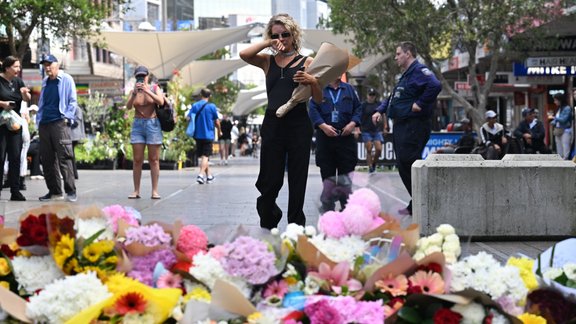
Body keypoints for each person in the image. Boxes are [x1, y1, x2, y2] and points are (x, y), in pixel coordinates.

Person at [240, 13, 319, 229]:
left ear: (294, 35)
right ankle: (269, 216)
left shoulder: (307, 61)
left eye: (285, 34)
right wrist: (267, 42)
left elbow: (319, 98)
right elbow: (243, 54)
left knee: (297, 177)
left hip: (298, 122)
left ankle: (296, 224)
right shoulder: (267, 61)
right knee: (269, 179)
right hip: (273, 123)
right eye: (277, 35)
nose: (282, 39)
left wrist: (313, 81)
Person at [372, 41, 442, 216]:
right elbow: (393, 97)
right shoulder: (404, 75)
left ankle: (425, 201)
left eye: (398, 54)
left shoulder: (419, 71)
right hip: (402, 125)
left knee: (409, 161)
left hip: (414, 125)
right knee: (402, 164)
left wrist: (420, 104)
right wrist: (380, 110)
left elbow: (435, 85)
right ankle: (417, 201)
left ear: (408, 53)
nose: (395, 57)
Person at [309, 78, 362, 212]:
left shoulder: (349, 89)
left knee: (346, 174)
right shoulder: (319, 88)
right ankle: (328, 208)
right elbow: (313, 108)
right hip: (325, 138)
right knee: (327, 174)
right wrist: (323, 126)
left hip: (346, 138)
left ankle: (346, 207)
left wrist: (352, 124)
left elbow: (358, 108)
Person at [36, 54, 78, 202]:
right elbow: (42, 102)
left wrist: (67, 117)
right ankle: (54, 191)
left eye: (49, 64)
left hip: (60, 123)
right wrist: (38, 121)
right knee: (47, 160)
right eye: (45, 65)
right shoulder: (45, 81)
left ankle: (71, 191)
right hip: (44, 124)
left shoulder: (66, 79)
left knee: (64, 158)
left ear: (57, 64)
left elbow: (73, 101)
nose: (47, 67)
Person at [126, 65, 165, 199]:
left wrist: (147, 91)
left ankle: (155, 191)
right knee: (137, 160)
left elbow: (160, 101)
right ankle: (136, 190)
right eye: (138, 76)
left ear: (147, 76)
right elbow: (128, 106)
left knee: (154, 159)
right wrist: (135, 94)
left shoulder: (154, 88)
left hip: (152, 124)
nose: (141, 79)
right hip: (138, 125)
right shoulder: (134, 91)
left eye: (143, 76)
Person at [0, 56, 30, 201]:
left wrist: (25, 94)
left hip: (15, 125)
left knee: (15, 157)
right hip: (1, 125)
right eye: (16, 66)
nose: (19, 69)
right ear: (7, 68)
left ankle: (15, 190)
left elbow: (27, 98)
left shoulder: (18, 81)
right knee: (0, 157)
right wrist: (2, 104)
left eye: (19, 66)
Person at [187, 88, 220, 185]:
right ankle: (201, 175)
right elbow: (217, 121)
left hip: (197, 134)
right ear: (209, 96)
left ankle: (209, 176)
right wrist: (220, 130)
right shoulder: (212, 107)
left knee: (203, 156)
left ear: (201, 95)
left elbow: (188, 117)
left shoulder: (195, 105)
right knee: (206, 156)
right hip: (208, 134)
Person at [360, 88, 384, 173]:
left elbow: (383, 114)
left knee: (379, 149)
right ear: (367, 95)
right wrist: (357, 128)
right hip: (366, 130)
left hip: (376, 130)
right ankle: (370, 166)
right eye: (370, 95)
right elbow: (359, 116)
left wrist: (385, 126)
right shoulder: (363, 105)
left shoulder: (379, 104)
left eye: (373, 95)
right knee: (369, 148)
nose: (371, 97)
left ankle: (374, 164)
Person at [551, 93, 573, 160]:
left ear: (560, 100)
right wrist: (554, 121)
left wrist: (555, 118)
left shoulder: (567, 108)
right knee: (559, 146)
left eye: (556, 100)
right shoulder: (559, 108)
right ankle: (560, 159)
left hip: (566, 130)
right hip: (558, 130)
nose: (555, 102)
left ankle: (566, 160)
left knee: (565, 146)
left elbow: (564, 119)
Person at [70, 105, 86, 179]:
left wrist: (67, 124)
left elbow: (77, 121)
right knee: (71, 154)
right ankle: (73, 173)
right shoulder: (74, 107)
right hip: (72, 135)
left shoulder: (76, 108)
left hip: (74, 135)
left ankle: (74, 174)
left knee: (71, 154)